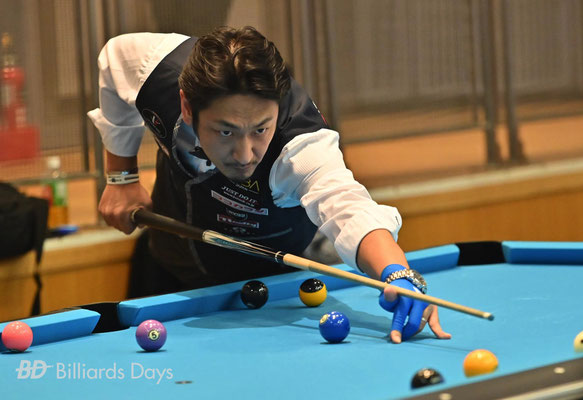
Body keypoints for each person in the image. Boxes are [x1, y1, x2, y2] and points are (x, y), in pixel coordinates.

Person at [88, 26, 451, 344]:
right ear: (186, 105)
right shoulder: (156, 68)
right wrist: (122, 177)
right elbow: (114, 59)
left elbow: (347, 206)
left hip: (273, 289)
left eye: (261, 129)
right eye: (225, 131)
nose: (245, 154)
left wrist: (396, 272)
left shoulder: (300, 149)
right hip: (171, 265)